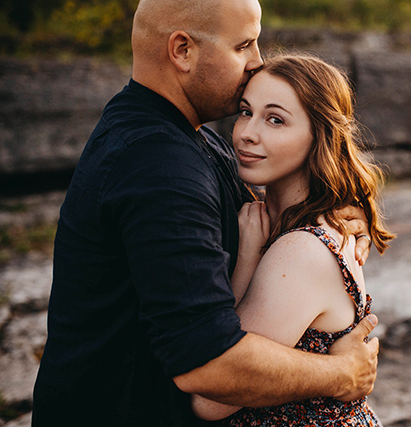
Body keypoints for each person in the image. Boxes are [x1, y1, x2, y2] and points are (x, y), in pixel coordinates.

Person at [32, 0, 379, 426]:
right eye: (244, 45)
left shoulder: (189, 140)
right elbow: (209, 364)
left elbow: (268, 213)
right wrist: (342, 373)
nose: (257, 62)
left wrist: (338, 210)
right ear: (182, 51)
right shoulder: (157, 164)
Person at [191, 54, 395, 425]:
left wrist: (247, 258)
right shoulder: (292, 222)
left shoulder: (301, 250)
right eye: (245, 111)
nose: (247, 132)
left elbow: (213, 400)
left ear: (320, 134)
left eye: (275, 119)